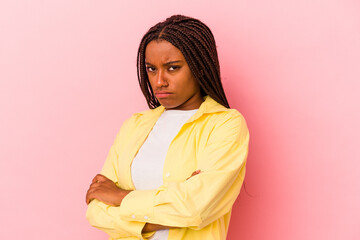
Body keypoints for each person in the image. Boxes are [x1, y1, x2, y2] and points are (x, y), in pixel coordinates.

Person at [85, 14, 249, 240]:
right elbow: (96, 211)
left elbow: (195, 208)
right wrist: (164, 214)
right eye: (151, 69)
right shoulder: (134, 125)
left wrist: (120, 197)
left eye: (172, 68)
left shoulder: (225, 125)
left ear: (199, 67)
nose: (159, 81)